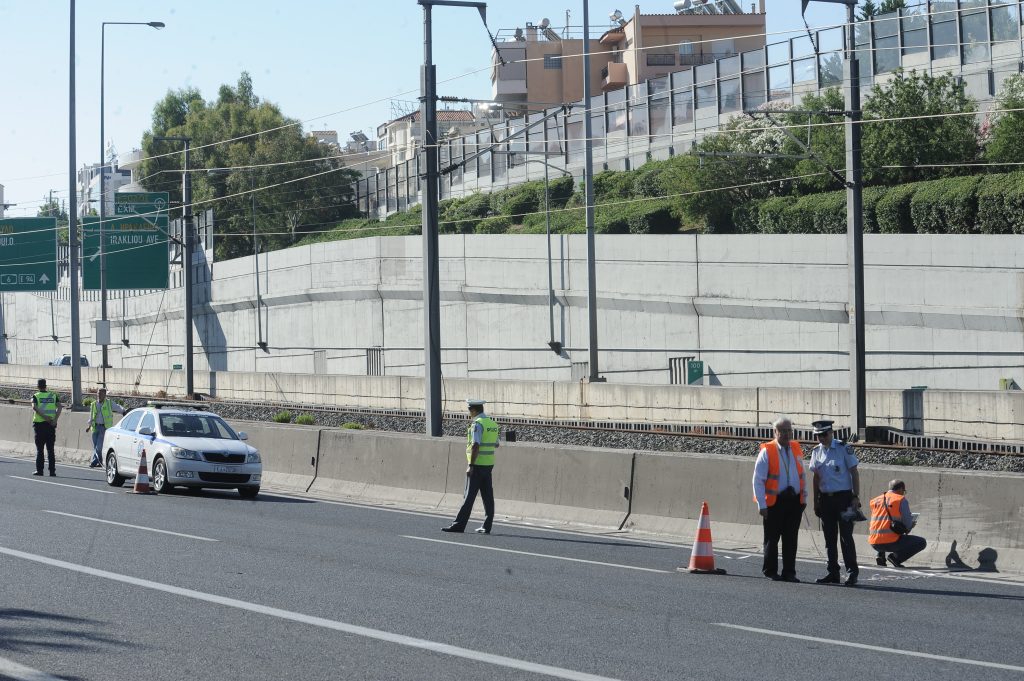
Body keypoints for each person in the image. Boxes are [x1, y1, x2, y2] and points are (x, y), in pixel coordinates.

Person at [752, 416, 806, 582]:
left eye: (789, 430)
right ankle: (770, 570)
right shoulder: (767, 451)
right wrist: (762, 504)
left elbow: (801, 474)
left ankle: (789, 572)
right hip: (775, 502)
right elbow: (758, 480)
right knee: (772, 538)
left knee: (791, 539)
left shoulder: (796, 448)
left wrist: (804, 499)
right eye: (782, 431)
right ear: (775, 432)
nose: (786, 434)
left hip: (794, 501)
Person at [808, 419, 861, 586]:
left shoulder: (843, 448)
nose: (821, 438)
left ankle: (852, 572)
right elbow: (816, 478)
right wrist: (816, 500)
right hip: (826, 500)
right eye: (818, 436)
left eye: (824, 434)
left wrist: (855, 496)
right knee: (829, 538)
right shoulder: (817, 451)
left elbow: (854, 472)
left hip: (844, 498)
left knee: (846, 537)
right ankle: (832, 572)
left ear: (831, 432)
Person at [443, 399, 500, 535]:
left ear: (473, 410)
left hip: (477, 465)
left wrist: (471, 465)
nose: (469, 413)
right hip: (488, 465)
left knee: (469, 497)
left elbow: (475, 445)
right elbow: (496, 444)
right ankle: (487, 526)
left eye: (469, 410)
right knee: (488, 497)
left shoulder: (477, 424)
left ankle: (458, 525)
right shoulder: (492, 424)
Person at [869, 479, 927, 568]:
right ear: (900, 489)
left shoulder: (875, 500)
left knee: (882, 530)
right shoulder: (900, 499)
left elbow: (881, 521)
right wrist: (910, 526)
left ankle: (880, 555)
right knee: (921, 542)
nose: (904, 493)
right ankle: (895, 558)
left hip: (874, 543)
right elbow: (907, 525)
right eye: (904, 491)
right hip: (891, 542)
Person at [85, 388, 125, 468]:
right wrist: (89, 426)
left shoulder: (109, 403)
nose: (99, 395)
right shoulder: (93, 404)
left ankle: (94, 462)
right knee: (96, 446)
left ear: (105, 395)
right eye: (98, 393)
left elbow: (117, 407)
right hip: (95, 427)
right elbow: (91, 416)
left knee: (99, 447)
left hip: (104, 427)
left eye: (101, 394)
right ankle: (100, 462)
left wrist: (124, 411)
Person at [31, 378, 62, 477]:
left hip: (40, 426)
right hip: (51, 426)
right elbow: (60, 407)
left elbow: (34, 407)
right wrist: (55, 420)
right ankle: (52, 471)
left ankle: (40, 471)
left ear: (38, 386)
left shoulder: (36, 396)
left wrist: (45, 417)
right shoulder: (53, 395)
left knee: (40, 450)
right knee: (50, 449)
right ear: (46, 386)